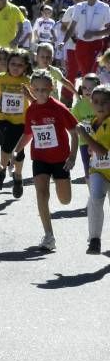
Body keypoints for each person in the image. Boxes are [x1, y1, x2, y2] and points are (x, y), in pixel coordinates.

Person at [12, 70, 78, 251]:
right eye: (37, 89)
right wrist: (15, 151)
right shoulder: (32, 109)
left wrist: (72, 156)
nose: (41, 93)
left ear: (51, 88)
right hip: (40, 158)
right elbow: (27, 134)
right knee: (41, 194)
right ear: (32, 88)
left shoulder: (58, 107)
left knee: (65, 200)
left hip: (60, 159)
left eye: (44, 89)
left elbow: (74, 133)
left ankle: (61, 182)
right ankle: (49, 235)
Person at [0, 49, 32, 197]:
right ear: (8, 64)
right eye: (13, 64)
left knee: (18, 150)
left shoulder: (27, 81)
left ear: (25, 67)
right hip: (3, 118)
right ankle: (3, 172)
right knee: (7, 145)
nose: (16, 67)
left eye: (20, 65)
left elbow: (33, 100)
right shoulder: (1, 78)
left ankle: (16, 176)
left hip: (21, 121)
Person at [77, 85, 110, 254]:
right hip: (99, 170)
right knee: (95, 199)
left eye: (105, 102)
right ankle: (95, 240)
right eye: (96, 102)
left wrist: (85, 136)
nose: (100, 106)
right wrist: (91, 148)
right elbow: (97, 149)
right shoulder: (93, 122)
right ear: (91, 104)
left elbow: (103, 150)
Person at [71, 74, 99, 177]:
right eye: (84, 88)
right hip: (85, 142)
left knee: (103, 168)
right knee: (88, 170)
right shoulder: (78, 106)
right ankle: (92, 191)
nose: (87, 90)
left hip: (101, 141)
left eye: (91, 88)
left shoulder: (103, 103)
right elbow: (74, 125)